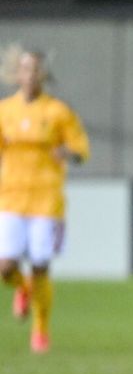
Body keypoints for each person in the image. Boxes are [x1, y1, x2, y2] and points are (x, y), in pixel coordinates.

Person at [0, 46, 90, 354]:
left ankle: (40, 331)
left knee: (40, 265)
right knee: (5, 267)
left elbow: (81, 151)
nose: (30, 75)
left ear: (43, 75)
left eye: (36, 69)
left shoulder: (58, 112)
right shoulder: (4, 111)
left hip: (46, 199)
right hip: (10, 197)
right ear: (17, 74)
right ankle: (22, 288)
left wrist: (67, 153)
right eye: (25, 69)